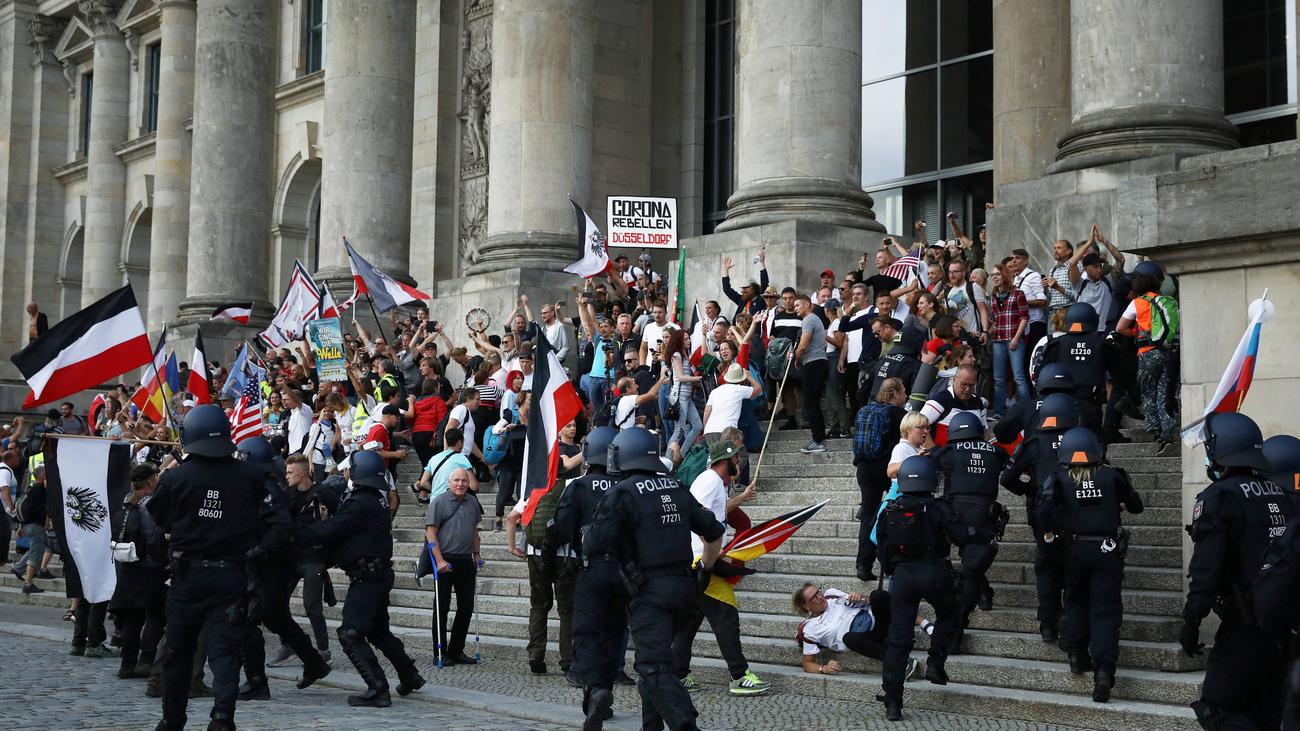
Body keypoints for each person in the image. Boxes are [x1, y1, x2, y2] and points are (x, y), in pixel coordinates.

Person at [145, 405, 292, 731]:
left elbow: (159, 517)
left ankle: (172, 720)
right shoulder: (251, 475)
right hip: (231, 574)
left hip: (187, 576)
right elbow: (264, 516)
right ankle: (223, 718)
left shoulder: (176, 477)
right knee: (224, 652)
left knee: (178, 651)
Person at [582, 427, 724, 731]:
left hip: (649, 593)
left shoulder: (622, 493)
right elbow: (714, 532)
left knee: (653, 666)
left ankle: (686, 725)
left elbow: (594, 543)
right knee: (654, 666)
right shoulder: (674, 486)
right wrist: (706, 570)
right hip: (685, 588)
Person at [1181, 412, 1299, 730]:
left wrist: (1192, 619)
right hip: (1280, 622)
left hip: (1243, 621)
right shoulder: (1281, 493)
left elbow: (1207, 569)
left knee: (1216, 707)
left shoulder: (1218, 498)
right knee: (1266, 712)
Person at [297, 449, 425, 707]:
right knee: (378, 631)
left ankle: (377, 687)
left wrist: (300, 528)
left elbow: (331, 531)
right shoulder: (375, 499)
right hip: (376, 575)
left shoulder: (359, 503)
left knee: (350, 633)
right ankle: (409, 675)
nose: (347, 472)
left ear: (358, 472)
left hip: (368, 577)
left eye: (350, 468)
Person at [1034, 427, 1143, 702]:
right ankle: (1104, 672)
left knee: (1075, 602)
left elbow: (1043, 511)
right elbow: (1136, 505)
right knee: (1105, 612)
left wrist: (1048, 533)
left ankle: (1076, 654)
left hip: (1074, 549)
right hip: (1107, 550)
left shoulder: (1058, 477)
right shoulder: (1113, 475)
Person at [545, 428, 636, 723]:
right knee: (613, 633)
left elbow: (559, 528)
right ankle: (604, 692)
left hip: (589, 568)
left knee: (586, 634)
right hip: (623, 572)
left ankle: (594, 690)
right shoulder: (627, 486)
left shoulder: (579, 486)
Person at [233, 437, 332, 702]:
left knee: (248, 621)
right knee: (277, 619)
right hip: (270, 564)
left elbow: (281, 527)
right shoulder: (261, 486)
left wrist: (258, 551)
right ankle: (315, 663)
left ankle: (256, 681)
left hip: (273, 565)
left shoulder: (267, 487)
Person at [875, 455, 970, 722]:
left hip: (903, 576)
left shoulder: (891, 507)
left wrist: (895, 568)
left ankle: (893, 702)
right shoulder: (938, 507)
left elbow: (881, 547)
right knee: (951, 612)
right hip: (934, 571)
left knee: (898, 639)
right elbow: (961, 535)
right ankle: (935, 662)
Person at [671, 440, 766, 695]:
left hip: (699, 559)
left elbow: (715, 513)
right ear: (726, 460)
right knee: (726, 617)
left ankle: (678, 673)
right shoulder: (710, 480)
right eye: (736, 459)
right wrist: (709, 545)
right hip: (704, 561)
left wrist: (741, 497)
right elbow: (695, 514)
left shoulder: (715, 482)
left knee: (689, 622)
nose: (739, 463)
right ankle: (738, 675)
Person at [1000, 394, 1079, 642]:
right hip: (1077, 513)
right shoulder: (1080, 439)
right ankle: (1070, 617)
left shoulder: (1035, 442)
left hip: (1044, 513)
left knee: (1047, 565)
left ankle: (1048, 624)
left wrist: (1029, 491)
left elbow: (1007, 478)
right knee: (1074, 565)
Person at [930, 412, 1007, 634]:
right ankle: (983, 593)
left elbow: (930, 466)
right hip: (984, 516)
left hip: (954, 516)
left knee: (969, 567)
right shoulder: (996, 452)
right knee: (972, 565)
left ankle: (959, 622)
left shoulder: (949, 452)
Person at [108, 464, 167, 679]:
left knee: (132, 617)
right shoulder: (151, 503)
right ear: (150, 481)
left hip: (129, 565)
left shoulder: (127, 500)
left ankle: (127, 663)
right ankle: (146, 660)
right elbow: (159, 532)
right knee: (157, 615)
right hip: (152, 566)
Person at [1115, 265, 1180, 453]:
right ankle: (1168, 433)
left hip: (1147, 352)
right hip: (1168, 352)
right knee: (1165, 391)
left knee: (1149, 392)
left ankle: (1157, 432)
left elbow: (1120, 328)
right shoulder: (1166, 301)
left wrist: (1137, 332)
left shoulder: (1137, 303)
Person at [1041, 303, 1128, 444]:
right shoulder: (1102, 345)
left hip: (1061, 404)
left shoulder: (1056, 344)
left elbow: (1042, 375)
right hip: (1090, 404)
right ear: (1093, 321)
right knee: (1095, 441)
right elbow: (1122, 375)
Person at [280, 454, 337, 666]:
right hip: (292, 556)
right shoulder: (287, 494)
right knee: (278, 602)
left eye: (289, 473)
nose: (286, 476)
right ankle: (287, 644)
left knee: (312, 605)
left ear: (302, 473)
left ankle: (323, 649)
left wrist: (325, 520)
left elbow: (340, 517)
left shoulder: (323, 493)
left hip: (314, 556)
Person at [425, 467, 484, 666]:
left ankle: (456, 649)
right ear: (450, 482)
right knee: (442, 607)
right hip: (445, 559)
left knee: (466, 606)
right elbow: (430, 533)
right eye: (457, 480)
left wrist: (476, 554)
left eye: (464, 481)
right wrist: (439, 560)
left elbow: (475, 530)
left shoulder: (473, 502)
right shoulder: (439, 502)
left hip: (466, 559)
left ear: (469, 483)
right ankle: (439, 652)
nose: (460, 484)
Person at [853, 378, 908, 582]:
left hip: (864, 468)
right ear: (894, 394)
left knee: (868, 516)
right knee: (898, 514)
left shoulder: (865, 410)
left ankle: (863, 565)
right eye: (903, 392)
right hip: (887, 469)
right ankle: (892, 561)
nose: (906, 396)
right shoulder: (899, 414)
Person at [988, 264, 1030, 416]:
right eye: (992, 275)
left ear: (1005, 275)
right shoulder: (993, 296)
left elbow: (1024, 317)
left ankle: (1026, 410)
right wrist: (986, 332)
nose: (994, 277)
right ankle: (999, 411)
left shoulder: (1018, 293)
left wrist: (1016, 338)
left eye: (998, 274)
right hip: (998, 339)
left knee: (1018, 376)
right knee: (998, 378)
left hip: (1014, 338)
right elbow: (995, 320)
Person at [794, 294, 830, 453]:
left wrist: (796, 356)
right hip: (817, 362)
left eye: (797, 305)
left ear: (808, 304)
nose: (795, 308)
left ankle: (818, 440)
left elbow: (803, 343)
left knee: (810, 403)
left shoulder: (809, 319)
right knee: (812, 402)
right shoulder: (813, 319)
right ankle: (819, 438)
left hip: (814, 363)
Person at [412, 427, 475, 503]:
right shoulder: (462, 458)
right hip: (451, 501)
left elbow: (423, 482)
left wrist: (436, 490)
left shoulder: (434, 458)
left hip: (435, 501)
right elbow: (473, 486)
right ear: (459, 443)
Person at [12, 464, 49, 594]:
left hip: (28, 525)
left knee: (36, 549)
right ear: (42, 477)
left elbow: (27, 509)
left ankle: (19, 568)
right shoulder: (40, 490)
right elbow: (44, 509)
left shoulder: (30, 489)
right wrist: (46, 520)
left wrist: (22, 526)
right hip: (36, 526)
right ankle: (28, 583)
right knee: (35, 553)